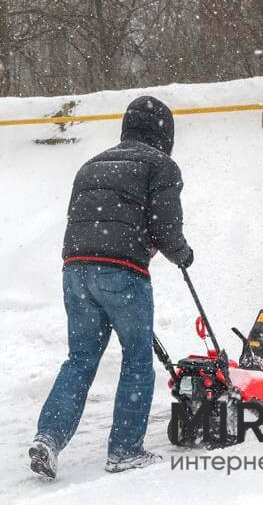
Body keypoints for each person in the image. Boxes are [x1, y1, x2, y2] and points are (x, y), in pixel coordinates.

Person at [29, 95, 193, 479]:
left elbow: (82, 219)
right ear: (165, 134)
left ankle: (48, 438)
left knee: (80, 360)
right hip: (121, 273)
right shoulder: (161, 165)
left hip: (75, 271)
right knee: (137, 360)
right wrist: (182, 254)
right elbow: (165, 227)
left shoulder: (91, 164)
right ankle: (125, 450)